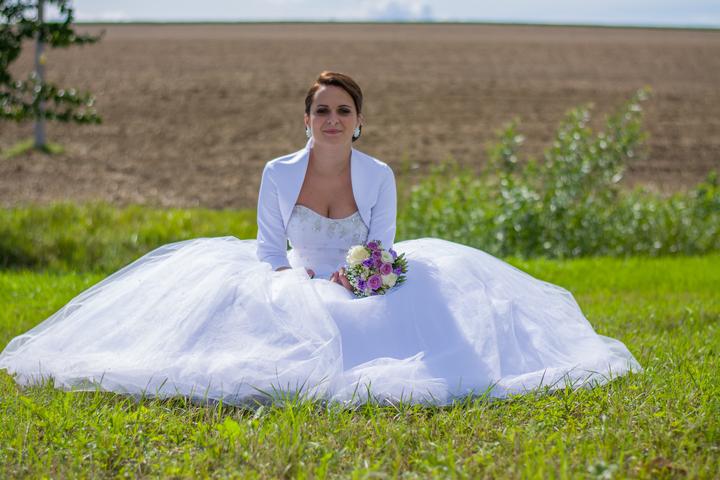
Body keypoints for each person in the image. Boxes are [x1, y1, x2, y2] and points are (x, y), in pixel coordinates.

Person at [0, 71, 642, 405]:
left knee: (404, 311)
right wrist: (294, 280)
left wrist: (356, 279)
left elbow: (383, 248)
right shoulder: (278, 173)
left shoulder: (379, 175)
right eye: (321, 111)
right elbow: (265, 250)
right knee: (261, 322)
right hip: (293, 279)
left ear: (358, 121)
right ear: (305, 119)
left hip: (361, 280)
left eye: (343, 111)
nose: (332, 119)